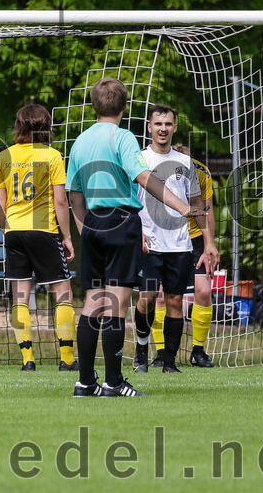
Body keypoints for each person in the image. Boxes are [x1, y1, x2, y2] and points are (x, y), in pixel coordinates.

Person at [66, 78, 200, 397]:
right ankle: (113, 382)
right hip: (122, 221)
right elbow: (144, 177)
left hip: (93, 223)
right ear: (124, 108)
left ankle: (85, 382)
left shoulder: (80, 141)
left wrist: (84, 228)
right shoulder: (123, 137)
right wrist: (182, 206)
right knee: (117, 304)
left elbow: (74, 192)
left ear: (94, 106)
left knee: (92, 302)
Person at [132, 106, 219, 374]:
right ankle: (141, 348)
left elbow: (197, 205)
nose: (163, 128)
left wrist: (208, 243)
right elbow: (128, 203)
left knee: (174, 301)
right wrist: (137, 232)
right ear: (149, 127)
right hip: (148, 243)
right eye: (158, 123)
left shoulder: (186, 163)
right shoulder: (138, 159)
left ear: (175, 128)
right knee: (146, 297)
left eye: (168, 124)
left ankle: (169, 362)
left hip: (179, 244)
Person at [0, 104, 77, 372]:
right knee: (62, 293)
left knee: (20, 297)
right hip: (43, 230)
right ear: (46, 126)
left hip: (14, 230)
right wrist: (67, 237)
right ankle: (66, 359)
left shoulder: (5, 156)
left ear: (19, 126)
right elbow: (61, 201)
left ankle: (28, 359)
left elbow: (0, 201)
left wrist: (9, 229)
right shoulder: (52, 155)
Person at [147, 143, 218, 368]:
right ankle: (161, 352)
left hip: (195, 236)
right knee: (159, 296)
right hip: (165, 236)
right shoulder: (152, 170)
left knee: (204, 291)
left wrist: (210, 243)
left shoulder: (201, 171)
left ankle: (198, 350)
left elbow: (207, 211)